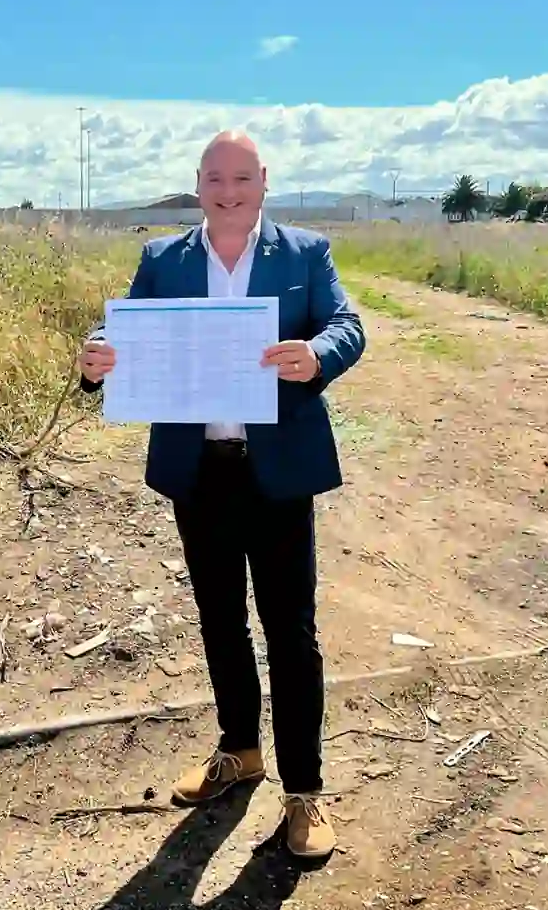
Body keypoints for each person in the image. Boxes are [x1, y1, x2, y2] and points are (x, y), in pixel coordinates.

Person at [76, 130, 366, 860]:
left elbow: (348, 325)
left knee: (290, 633)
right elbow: (123, 334)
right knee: (219, 620)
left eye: (241, 177)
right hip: (199, 471)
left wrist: (317, 355)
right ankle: (239, 750)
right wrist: (97, 357)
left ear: (263, 180)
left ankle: (304, 791)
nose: (228, 190)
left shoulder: (305, 253)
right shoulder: (164, 259)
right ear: (198, 183)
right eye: (215, 177)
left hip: (277, 472)